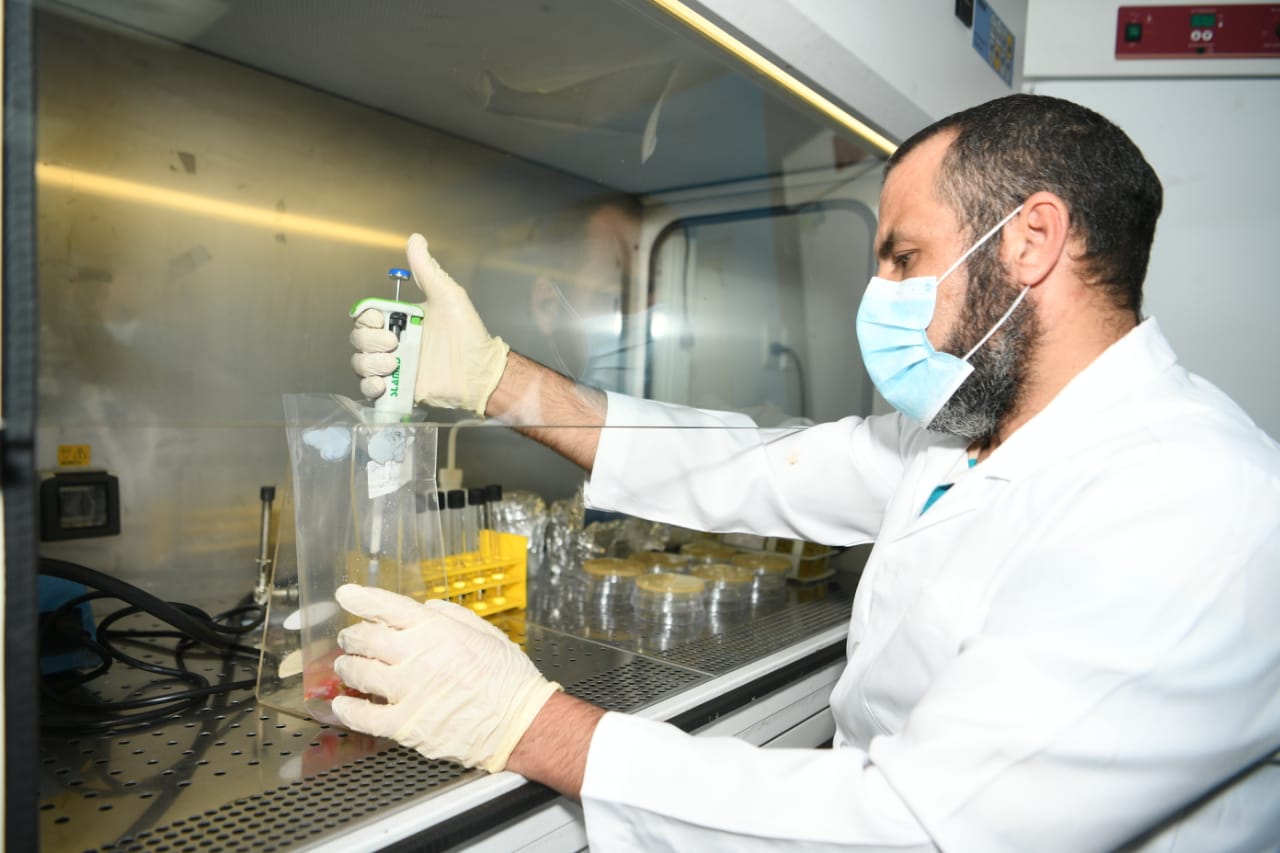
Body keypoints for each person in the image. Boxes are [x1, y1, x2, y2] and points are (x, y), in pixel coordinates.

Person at [342, 93, 1280, 850]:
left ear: (1031, 241)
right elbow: (747, 466)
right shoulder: (963, 434)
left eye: (904, 258)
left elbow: (917, 829)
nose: (880, 298)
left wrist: (530, 724)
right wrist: (498, 380)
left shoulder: (1193, 501)